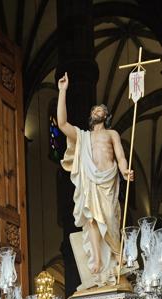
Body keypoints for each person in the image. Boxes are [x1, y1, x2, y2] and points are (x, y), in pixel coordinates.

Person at [57, 71, 133, 286]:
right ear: (91, 116)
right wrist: (62, 91)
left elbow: (120, 156)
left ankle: (117, 255)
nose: (98, 110)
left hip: (107, 181)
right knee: (90, 219)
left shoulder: (112, 134)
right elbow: (62, 124)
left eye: (101, 109)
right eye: (94, 109)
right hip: (90, 181)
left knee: (109, 218)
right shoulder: (83, 137)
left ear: (106, 116)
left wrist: (125, 170)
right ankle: (98, 261)